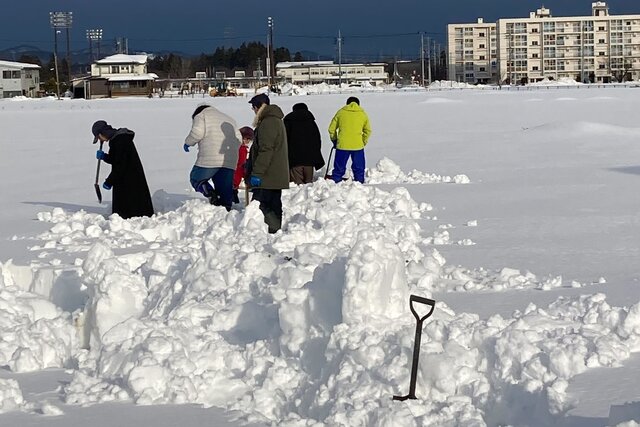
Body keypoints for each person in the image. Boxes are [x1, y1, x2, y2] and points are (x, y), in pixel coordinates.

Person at [92, 120, 154, 219]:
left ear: (101, 133)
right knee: (128, 207)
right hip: (126, 177)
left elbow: (120, 165)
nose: (100, 140)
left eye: (99, 138)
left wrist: (109, 181)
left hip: (130, 179)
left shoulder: (120, 141)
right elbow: (116, 159)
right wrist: (104, 157)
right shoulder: (116, 139)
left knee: (133, 209)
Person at [246, 93, 289, 233]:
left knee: (263, 205)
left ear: (258, 107)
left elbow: (266, 150)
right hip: (272, 172)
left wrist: (257, 173)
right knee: (273, 203)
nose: (253, 111)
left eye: (253, 108)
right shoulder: (273, 120)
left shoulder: (268, 123)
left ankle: (270, 231)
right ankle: (274, 231)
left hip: (268, 175)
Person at [184, 104, 240, 210]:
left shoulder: (201, 116)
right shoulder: (230, 119)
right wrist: (231, 152)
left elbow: (197, 133)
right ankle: (226, 209)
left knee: (196, 178)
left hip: (210, 158)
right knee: (224, 186)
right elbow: (239, 139)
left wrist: (188, 143)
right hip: (230, 159)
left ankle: (209, 192)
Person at [327, 96, 372, 184]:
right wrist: (363, 141)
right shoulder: (362, 114)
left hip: (342, 145)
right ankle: (359, 184)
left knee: (339, 167)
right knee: (359, 167)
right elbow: (368, 131)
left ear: (347, 104)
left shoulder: (341, 112)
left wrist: (334, 140)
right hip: (358, 145)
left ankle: (336, 183)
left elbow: (331, 129)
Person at [284, 103, 325, 184]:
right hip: (309, 159)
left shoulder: (288, 121)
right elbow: (317, 140)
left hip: (294, 159)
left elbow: (284, 139)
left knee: (296, 185)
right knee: (308, 185)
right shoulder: (311, 122)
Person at [233, 126, 254, 204]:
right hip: (233, 178)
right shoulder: (240, 149)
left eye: (249, 139)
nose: (247, 141)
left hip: (235, 179)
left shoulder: (243, 148)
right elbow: (240, 164)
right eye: (245, 138)